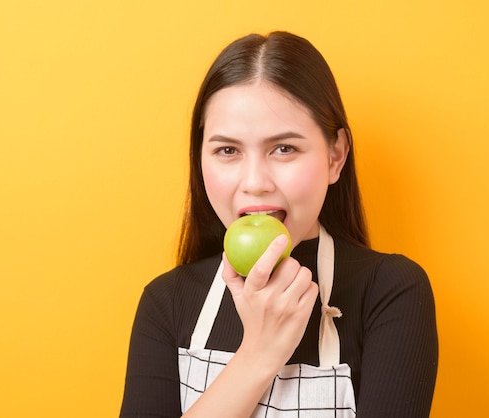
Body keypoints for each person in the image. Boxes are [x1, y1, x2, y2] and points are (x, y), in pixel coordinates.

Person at [120, 31, 438, 418]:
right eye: (227, 150)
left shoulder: (390, 292)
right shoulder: (166, 302)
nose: (254, 182)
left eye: (284, 148)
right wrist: (257, 355)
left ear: (335, 156)